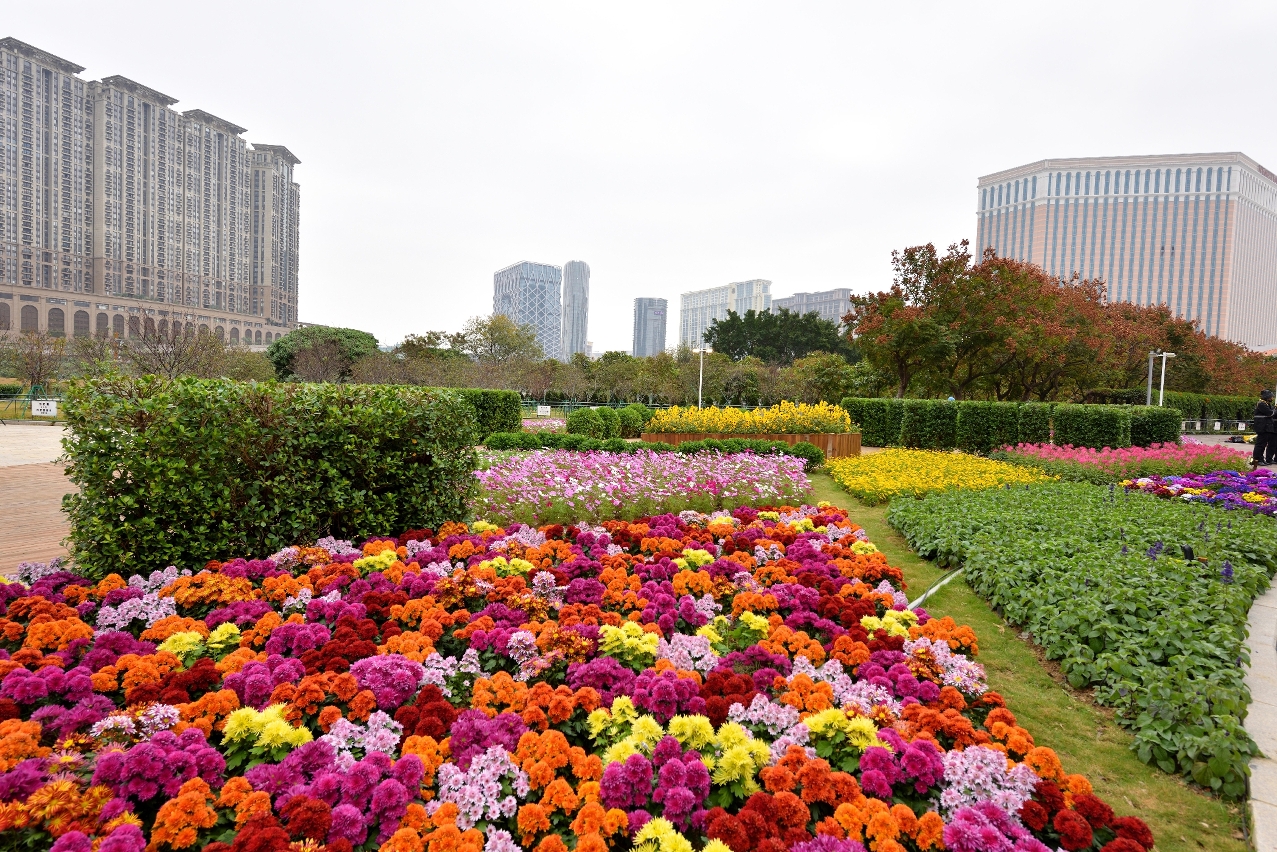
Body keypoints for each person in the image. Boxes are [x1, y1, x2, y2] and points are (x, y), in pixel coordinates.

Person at [1252, 389, 1275, 469]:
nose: (1272, 398)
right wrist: (1274, 411)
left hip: (1265, 427)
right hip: (1262, 427)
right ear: (1267, 397)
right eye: (1271, 397)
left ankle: (1261, 458)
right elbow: (1270, 413)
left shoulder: (1266, 404)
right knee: (1260, 444)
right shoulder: (1261, 404)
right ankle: (1257, 459)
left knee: (1263, 444)